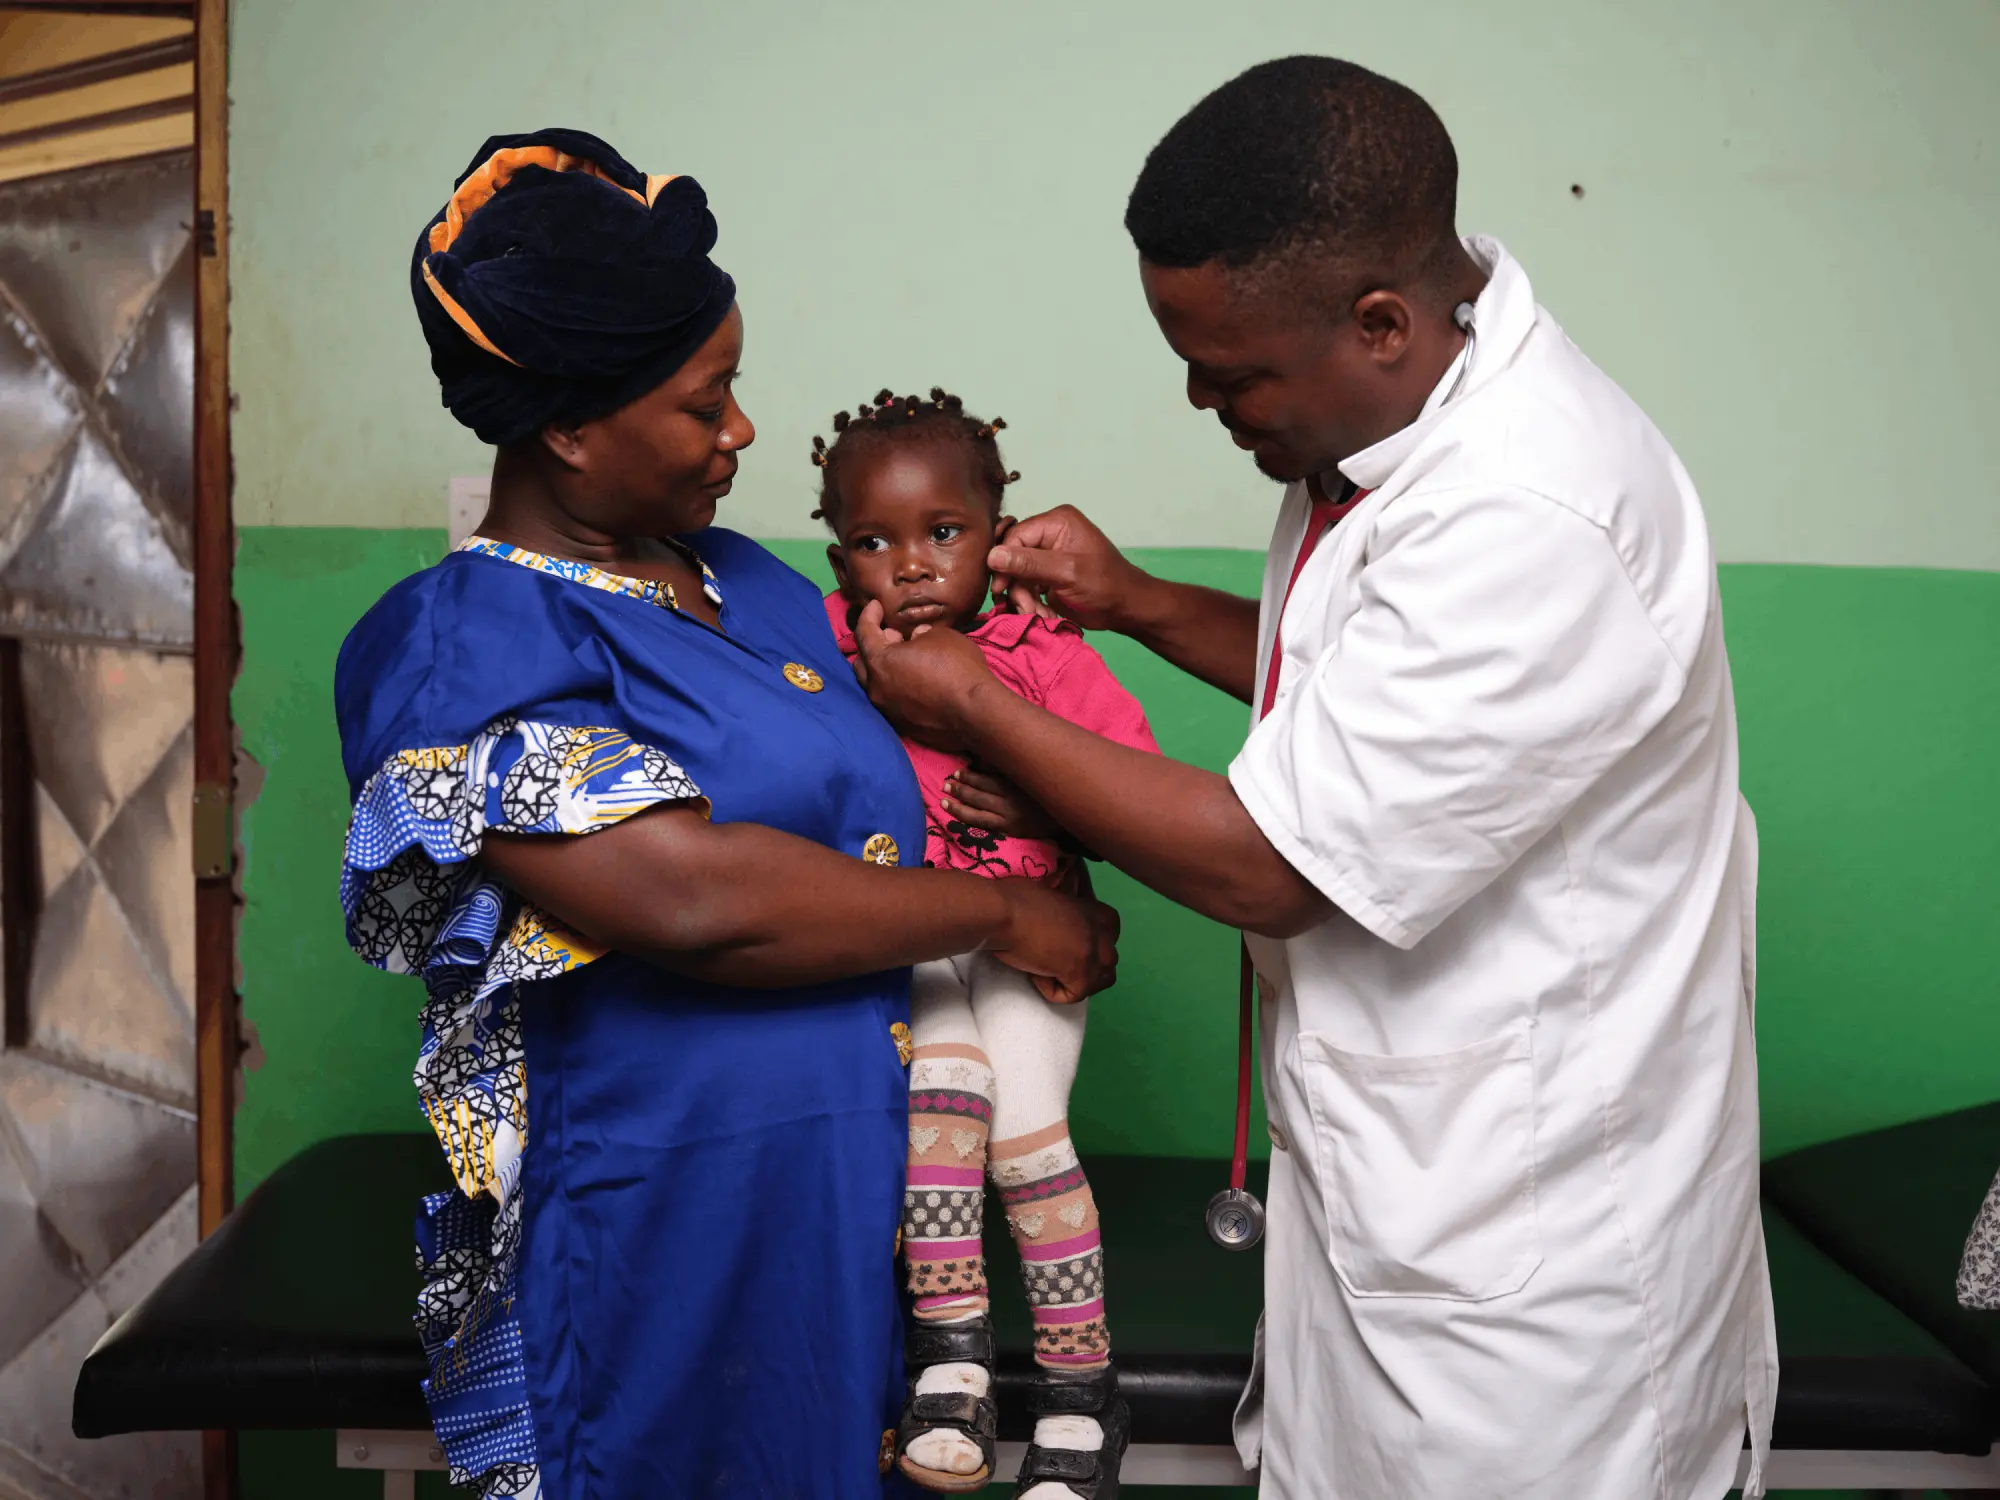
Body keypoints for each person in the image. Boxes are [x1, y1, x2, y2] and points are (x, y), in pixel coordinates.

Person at [853, 57, 1775, 1500]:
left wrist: (974, 699)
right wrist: (1143, 602)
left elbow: (1269, 857)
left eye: (1229, 374)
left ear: (1382, 323)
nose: (1201, 400)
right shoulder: (1384, 427)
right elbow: (1357, 681)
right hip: (1395, 1190)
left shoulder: (1534, 510)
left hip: (1533, 1283)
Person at [334, 128, 1119, 1500]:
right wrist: (1008, 911)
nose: (743, 430)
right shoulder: (463, 643)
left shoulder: (752, 585)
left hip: (846, 1227)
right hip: (668, 1249)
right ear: (571, 429)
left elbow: (907, 785)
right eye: (707, 402)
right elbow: (695, 898)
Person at [812, 388, 1161, 1496]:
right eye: (875, 541)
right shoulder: (831, 650)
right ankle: (950, 1366)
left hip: (1028, 938)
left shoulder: (1042, 658)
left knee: (1024, 1133)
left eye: (943, 534)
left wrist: (1042, 802)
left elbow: (1139, 797)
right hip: (912, 939)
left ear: (996, 537)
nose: (909, 564)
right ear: (840, 559)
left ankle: (1076, 1391)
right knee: (941, 1092)